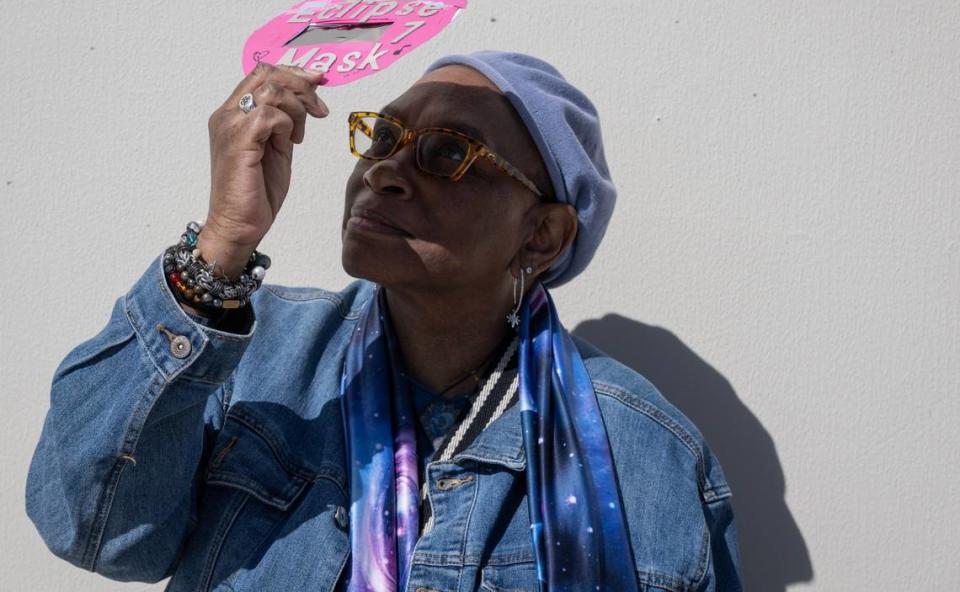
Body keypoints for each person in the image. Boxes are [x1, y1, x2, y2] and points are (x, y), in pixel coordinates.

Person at [25, 50, 743, 591]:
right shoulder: (254, 354)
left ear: (542, 237)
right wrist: (222, 241)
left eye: (449, 155)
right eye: (383, 137)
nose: (385, 171)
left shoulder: (641, 453)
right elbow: (96, 530)